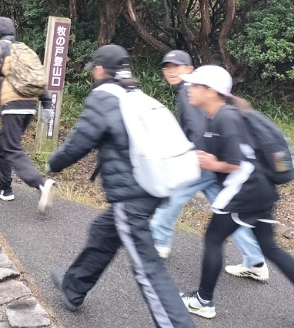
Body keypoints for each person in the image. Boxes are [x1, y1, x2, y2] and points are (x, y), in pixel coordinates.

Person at [46, 44, 195, 328]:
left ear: (101, 70)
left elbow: (80, 140)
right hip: (150, 187)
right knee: (102, 232)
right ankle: (73, 287)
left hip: (132, 197)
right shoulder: (133, 94)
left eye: (94, 70)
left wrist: (53, 163)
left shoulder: (104, 97)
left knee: (147, 268)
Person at [178, 64, 294, 328]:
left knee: (213, 238)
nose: (189, 89)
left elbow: (235, 163)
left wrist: (212, 164)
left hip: (244, 191)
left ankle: (203, 301)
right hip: (260, 191)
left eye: (195, 85)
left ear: (211, 91)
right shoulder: (217, 115)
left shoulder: (225, 118)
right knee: (269, 247)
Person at [150, 50, 269, 281]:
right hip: (211, 160)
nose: (171, 71)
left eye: (177, 66)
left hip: (202, 159)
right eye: (167, 67)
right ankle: (255, 260)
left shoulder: (189, 91)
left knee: (172, 196)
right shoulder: (191, 90)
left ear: (189, 70)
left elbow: (197, 127)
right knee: (224, 208)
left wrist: (195, 157)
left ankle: (158, 242)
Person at [0, 16, 55, 214]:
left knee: (11, 147)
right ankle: (5, 188)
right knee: (2, 145)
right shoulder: (25, 50)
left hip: (13, 106)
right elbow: (38, 79)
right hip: (29, 105)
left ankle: (41, 184)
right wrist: (47, 104)